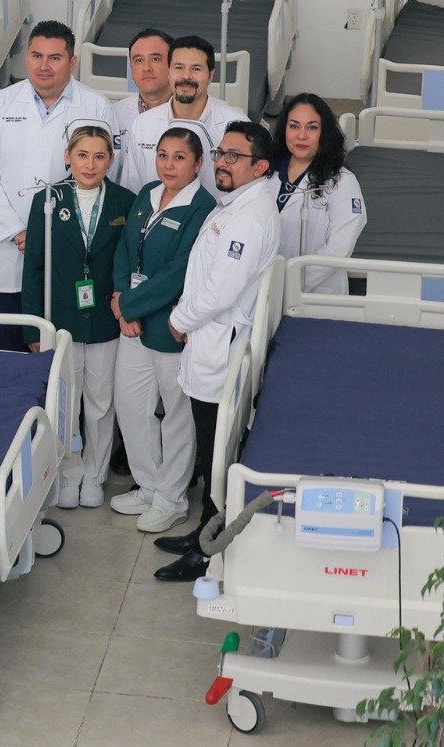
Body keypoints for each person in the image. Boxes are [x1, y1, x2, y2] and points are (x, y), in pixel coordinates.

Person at [154, 120, 281, 582]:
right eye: (222, 153)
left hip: (219, 343)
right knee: (212, 449)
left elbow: (221, 291)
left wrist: (178, 320)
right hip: (210, 339)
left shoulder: (248, 216)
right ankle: (203, 531)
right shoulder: (237, 203)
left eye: (235, 156)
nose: (223, 163)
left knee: (218, 451)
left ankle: (208, 551)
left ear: (261, 166)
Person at [0, 20, 112, 351]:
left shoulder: (95, 106)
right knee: (8, 346)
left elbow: (101, 175)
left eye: (55, 58)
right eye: (36, 56)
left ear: (72, 62)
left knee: (58, 347)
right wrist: (15, 231)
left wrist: (53, 237)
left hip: (69, 244)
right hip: (11, 242)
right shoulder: (3, 103)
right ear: (26, 59)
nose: (44, 66)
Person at [108, 124, 217, 534]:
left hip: (170, 326)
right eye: (163, 155)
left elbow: (180, 272)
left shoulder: (202, 207)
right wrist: (121, 303)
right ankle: (149, 484)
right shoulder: (148, 192)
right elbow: (123, 251)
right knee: (131, 406)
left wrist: (130, 305)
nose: (168, 165)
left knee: (176, 415)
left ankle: (171, 497)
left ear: (198, 164)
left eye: (179, 157)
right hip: (131, 321)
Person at [21, 123, 134, 509]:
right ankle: (68, 473)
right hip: (61, 319)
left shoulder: (124, 201)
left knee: (101, 402)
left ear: (111, 160)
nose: (90, 164)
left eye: (99, 156)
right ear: (68, 157)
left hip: (103, 317)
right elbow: (33, 266)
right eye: (82, 155)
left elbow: (131, 262)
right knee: (65, 403)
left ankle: (95, 476)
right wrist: (35, 324)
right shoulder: (47, 201)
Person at [119, 35, 249, 194]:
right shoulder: (143, 125)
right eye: (178, 67)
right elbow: (132, 190)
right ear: (169, 71)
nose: (186, 76)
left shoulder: (237, 127)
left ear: (211, 75)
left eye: (196, 68)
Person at [270, 93, 366, 294]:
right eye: (294, 126)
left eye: (312, 127)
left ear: (325, 133)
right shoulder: (266, 171)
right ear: (284, 129)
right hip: (263, 288)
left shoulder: (342, 182)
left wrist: (289, 285)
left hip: (316, 294)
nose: (301, 136)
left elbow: (338, 250)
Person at [109, 28, 173, 155]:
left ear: (173, 63)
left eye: (155, 59)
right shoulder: (113, 114)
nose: (146, 68)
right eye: (138, 60)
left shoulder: (190, 112)